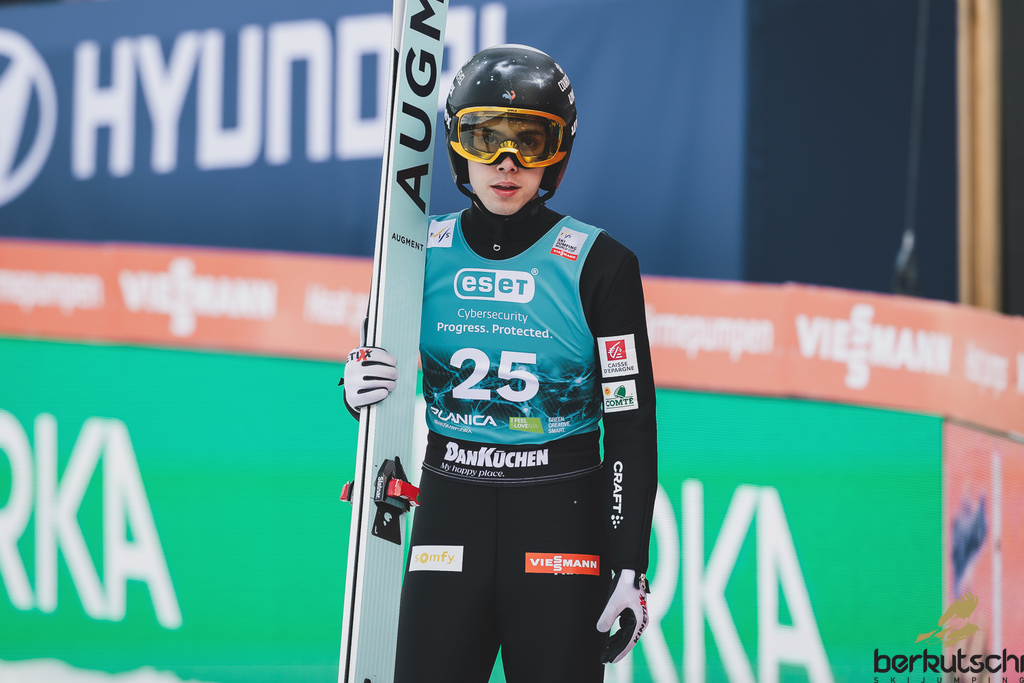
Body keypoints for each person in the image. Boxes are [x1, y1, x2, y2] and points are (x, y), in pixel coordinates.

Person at [342, 44, 658, 683]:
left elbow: (630, 424)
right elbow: (378, 377)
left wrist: (629, 562)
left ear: (557, 153)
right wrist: (355, 388)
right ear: (458, 146)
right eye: (485, 138)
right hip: (448, 516)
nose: (506, 163)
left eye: (530, 142)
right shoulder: (414, 252)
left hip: (561, 527)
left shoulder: (601, 265)